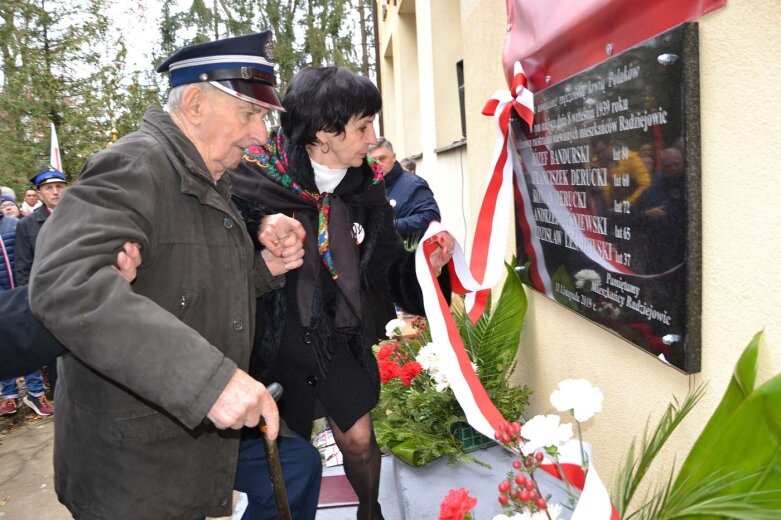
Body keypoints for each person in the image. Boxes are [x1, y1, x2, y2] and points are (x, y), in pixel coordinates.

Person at [27, 31, 317, 520]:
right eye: (250, 114)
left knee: (296, 465)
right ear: (197, 102)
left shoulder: (208, 178)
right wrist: (212, 381)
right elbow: (64, 284)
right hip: (133, 460)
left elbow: (186, 286)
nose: (262, 135)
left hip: (185, 435)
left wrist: (262, 270)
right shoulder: (133, 166)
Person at [230, 66, 456, 520]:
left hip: (338, 334)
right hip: (271, 342)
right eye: (363, 126)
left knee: (358, 441)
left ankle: (369, 510)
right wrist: (261, 233)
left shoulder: (366, 187)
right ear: (323, 133)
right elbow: (223, 260)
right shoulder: (252, 179)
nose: (372, 137)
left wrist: (425, 271)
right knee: (288, 458)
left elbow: (387, 268)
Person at [368, 137, 441, 241]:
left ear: (393, 157)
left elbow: (431, 216)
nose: (378, 164)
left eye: (382, 158)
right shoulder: (365, 186)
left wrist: (391, 226)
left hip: (405, 254)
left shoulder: (414, 184)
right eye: (374, 160)